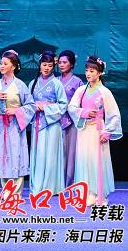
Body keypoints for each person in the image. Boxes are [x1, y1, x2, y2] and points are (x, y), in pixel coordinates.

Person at [67, 56, 122, 206]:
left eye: (92, 71)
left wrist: (107, 132)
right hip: (84, 130)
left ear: (99, 73)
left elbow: (114, 114)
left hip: (98, 130)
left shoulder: (104, 92)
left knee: (98, 160)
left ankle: (99, 194)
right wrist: (83, 112)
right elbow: (71, 107)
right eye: (87, 70)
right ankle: (87, 193)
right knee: (84, 159)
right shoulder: (81, 90)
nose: (88, 74)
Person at [0, 49, 35, 196]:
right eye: (1, 63)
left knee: (16, 155)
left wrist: (16, 111)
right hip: (1, 125)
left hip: (15, 125)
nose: (2, 66)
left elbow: (30, 106)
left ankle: (16, 192)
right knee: (3, 155)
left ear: (13, 66)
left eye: (5, 63)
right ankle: (6, 190)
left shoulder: (20, 85)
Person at [27, 50, 68, 195]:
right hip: (37, 122)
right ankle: (37, 186)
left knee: (50, 155)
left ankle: (50, 187)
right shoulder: (33, 83)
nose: (47, 68)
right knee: (38, 154)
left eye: (50, 65)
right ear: (40, 65)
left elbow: (63, 105)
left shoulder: (57, 84)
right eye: (44, 65)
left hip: (52, 124)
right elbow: (27, 104)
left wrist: (47, 107)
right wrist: (35, 106)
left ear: (53, 67)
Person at [57, 50, 84, 186]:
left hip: (71, 122)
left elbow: (82, 103)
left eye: (64, 62)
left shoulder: (78, 82)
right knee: (57, 152)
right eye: (59, 62)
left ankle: (69, 182)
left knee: (70, 152)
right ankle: (56, 181)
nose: (61, 65)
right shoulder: (55, 81)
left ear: (71, 64)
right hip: (55, 121)